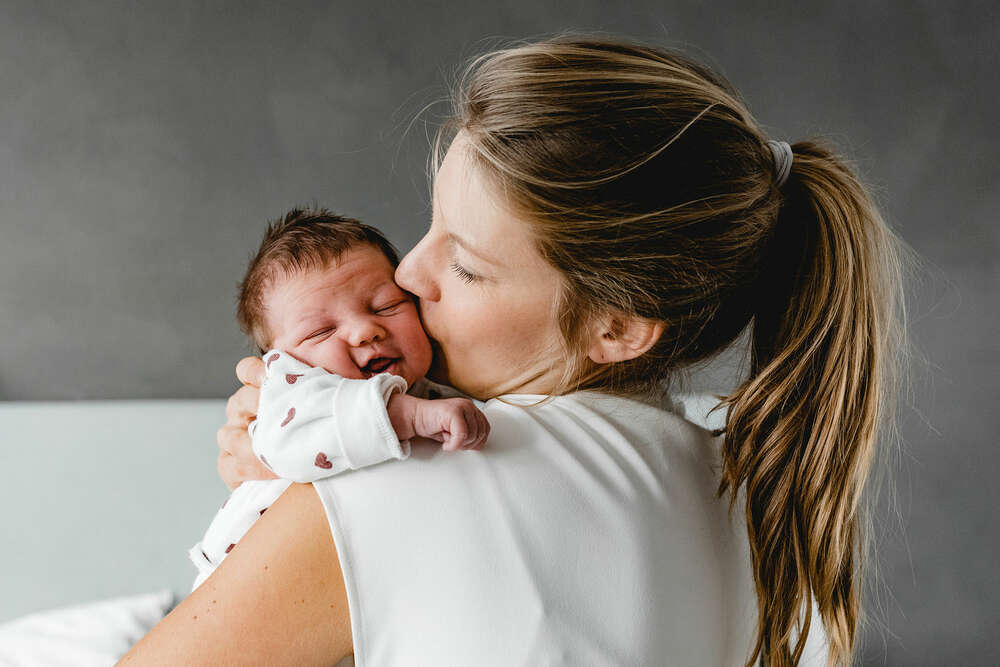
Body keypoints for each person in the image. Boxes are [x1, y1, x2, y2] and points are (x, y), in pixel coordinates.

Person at [121, 35, 911, 667]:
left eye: (465, 264)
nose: (407, 272)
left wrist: (293, 501)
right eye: (430, 227)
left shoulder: (412, 477)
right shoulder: (770, 502)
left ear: (617, 328)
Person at [187, 208, 489, 591]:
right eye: (320, 331)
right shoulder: (291, 396)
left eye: (385, 306)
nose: (366, 330)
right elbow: (292, 439)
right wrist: (411, 416)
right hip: (240, 583)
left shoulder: (441, 393)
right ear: (278, 362)